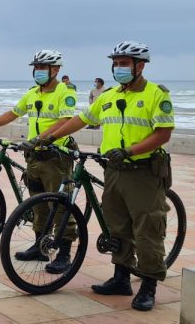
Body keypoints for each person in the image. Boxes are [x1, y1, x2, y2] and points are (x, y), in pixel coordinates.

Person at [34, 41, 174, 312]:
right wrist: (49, 137)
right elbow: (81, 119)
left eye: (125, 63)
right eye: (117, 63)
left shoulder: (157, 94)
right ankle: (121, 277)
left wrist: (129, 150)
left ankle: (149, 285)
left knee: (147, 229)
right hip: (114, 171)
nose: (119, 68)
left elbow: (163, 133)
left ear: (140, 66)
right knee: (117, 227)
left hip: (144, 172)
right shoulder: (108, 97)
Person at [0, 49, 78, 274]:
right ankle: (39, 245)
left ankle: (65, 253)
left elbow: (66, 119)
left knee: (59, 205)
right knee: (37, 204)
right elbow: (14, 113)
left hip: (56, 156)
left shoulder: (64, 92)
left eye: (44, 68)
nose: (39, 71)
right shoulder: (32, 93)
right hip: (35, 156)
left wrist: (40, 139)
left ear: (56, 70)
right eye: (37, 67)